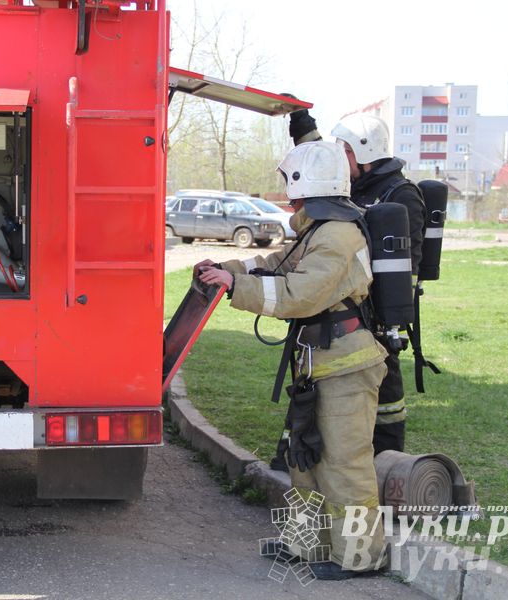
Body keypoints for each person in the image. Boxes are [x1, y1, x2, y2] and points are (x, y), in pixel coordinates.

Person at [196, 141, 388, 579]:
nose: (286, 190)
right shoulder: (317, 229)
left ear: (309, 181)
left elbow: (300, 294)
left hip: (346, 367)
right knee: (305, 460)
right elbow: (275, 264)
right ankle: (306, 546)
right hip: (319, 364)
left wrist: (234, 287)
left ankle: (359, 558)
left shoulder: (339, 235)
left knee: (345, 466)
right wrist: (226, 269)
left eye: (290, 180)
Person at [289, 111, 426, 455]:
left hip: (376, 314)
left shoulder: (401, 195)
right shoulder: (351, 185)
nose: (340, 156)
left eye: (346, 150)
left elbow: (404, 264)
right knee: (320, 390)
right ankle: (306, 452)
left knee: (386, 399)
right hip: (341, 308)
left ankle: (387, 460)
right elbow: (321, 164)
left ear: (364, 153)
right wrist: (303, 129)